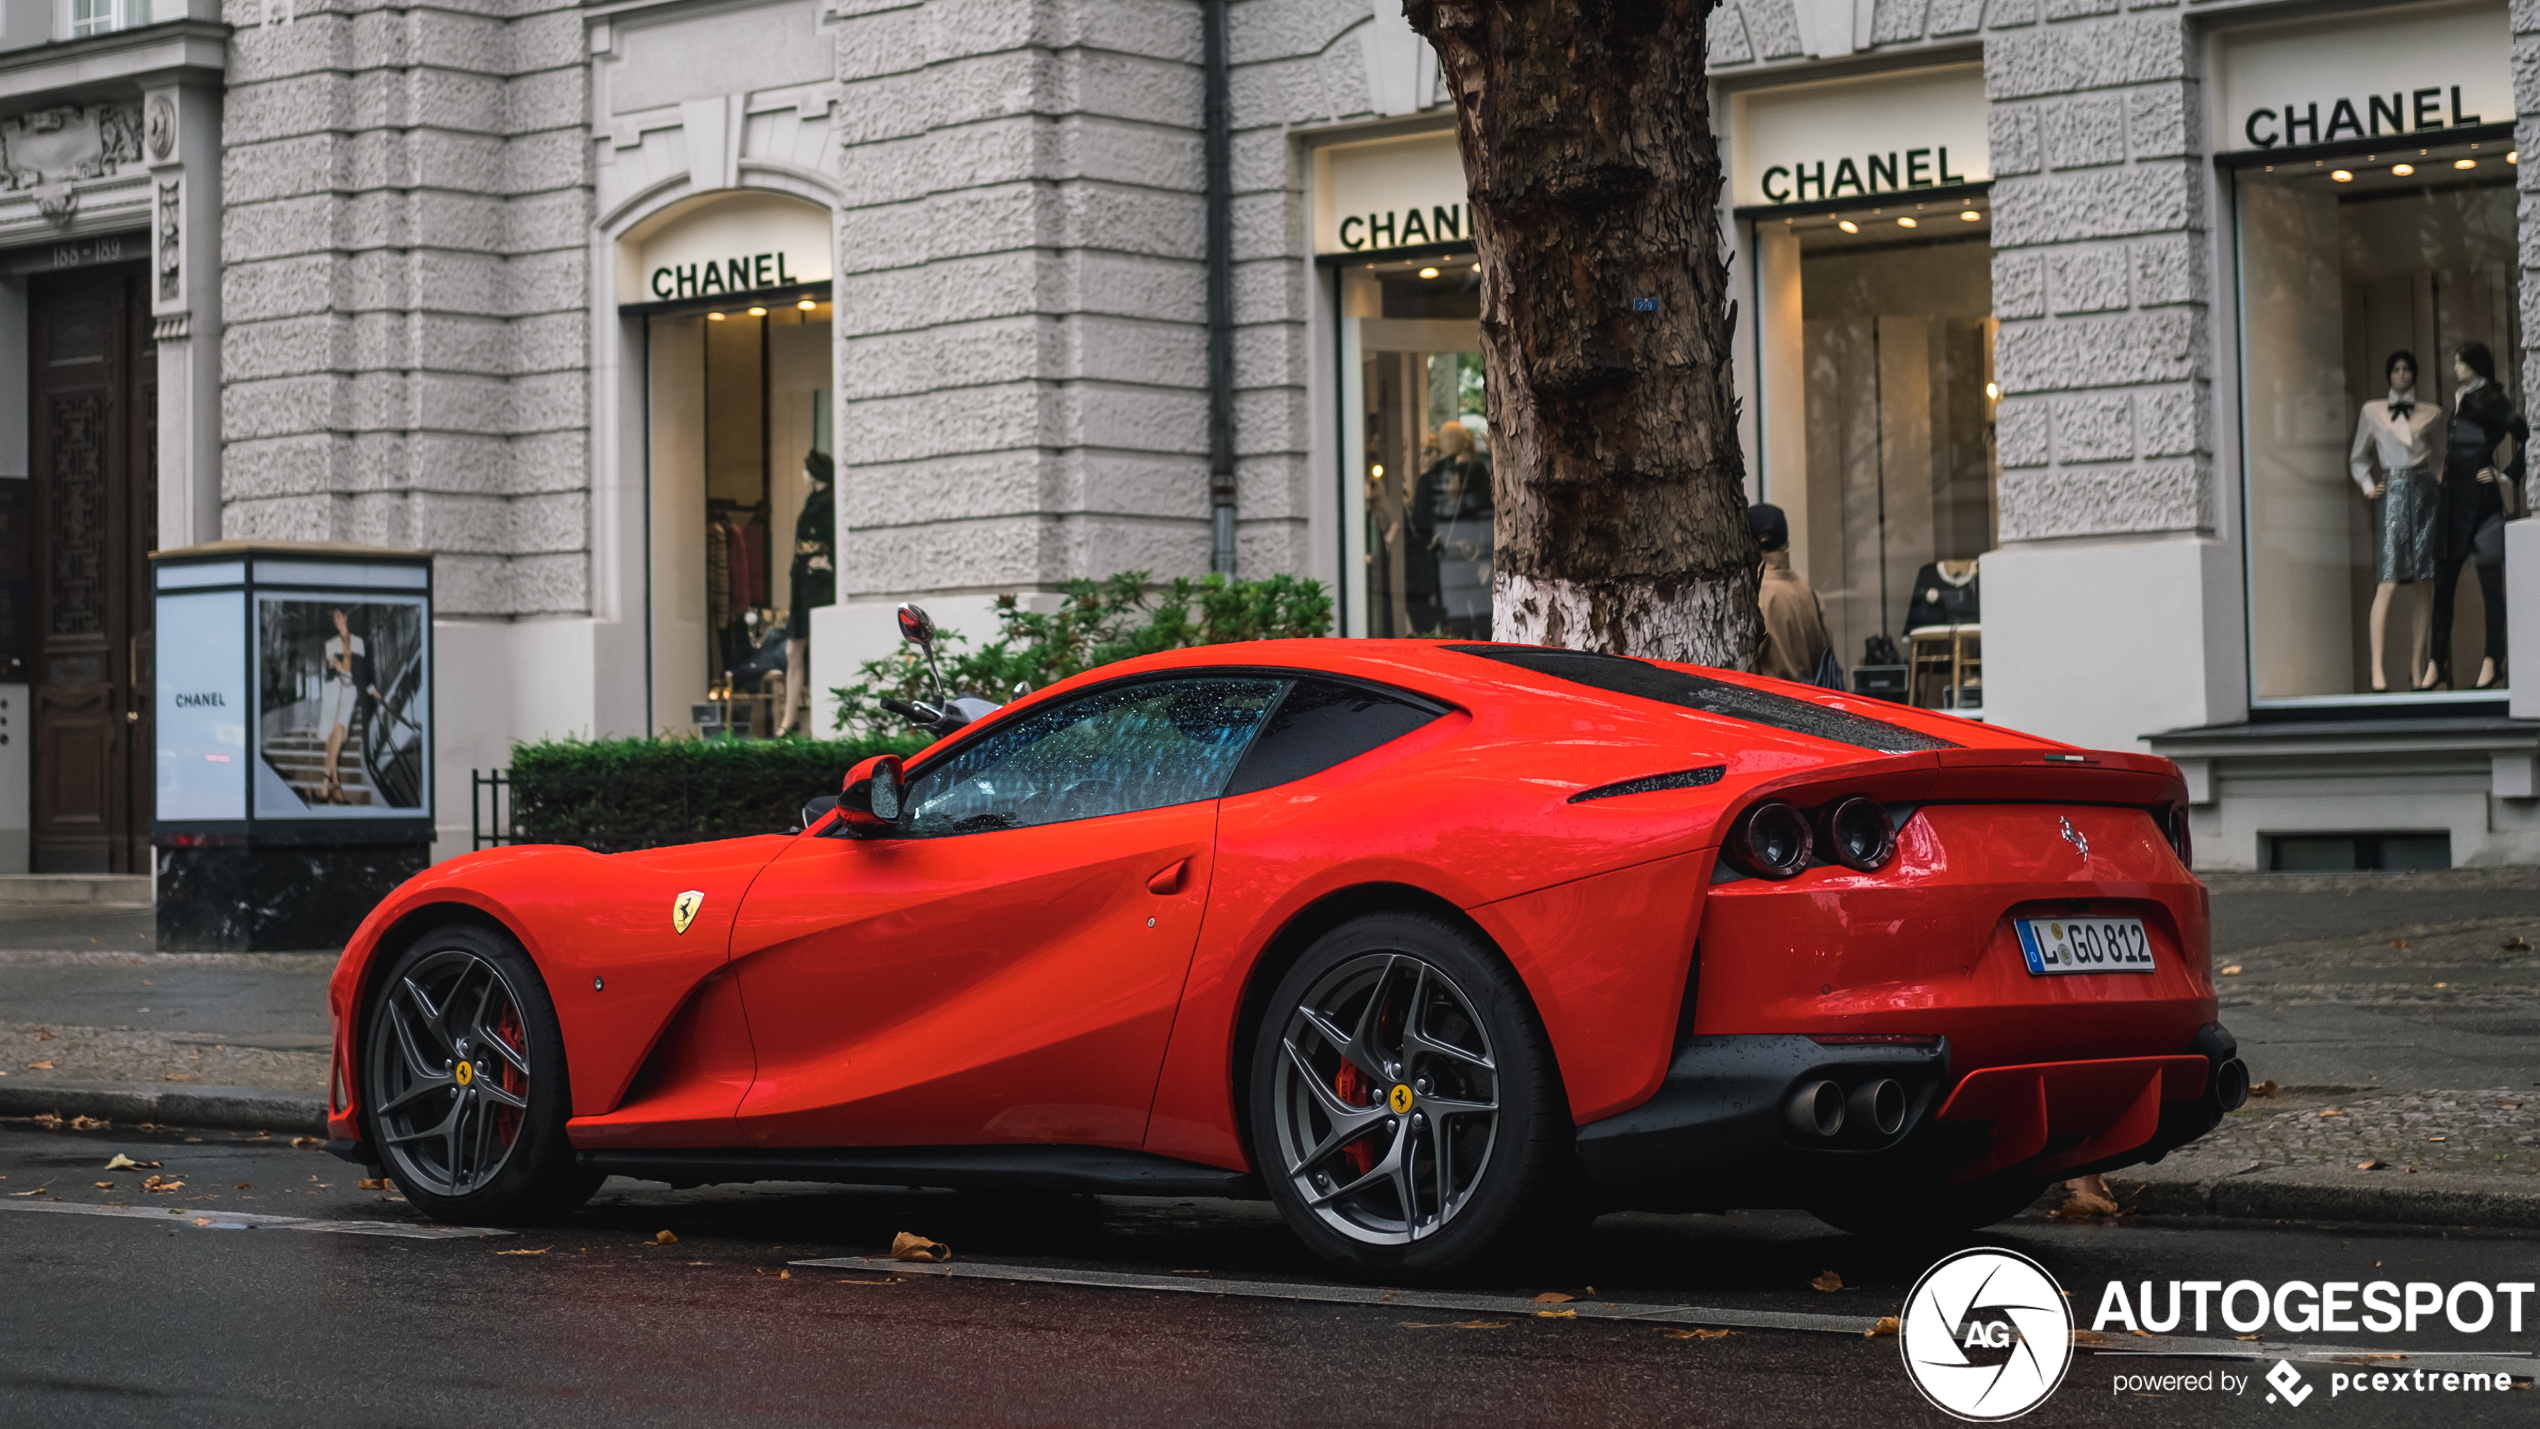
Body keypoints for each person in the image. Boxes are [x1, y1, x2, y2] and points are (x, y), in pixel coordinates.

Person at [2425, 341, 2528, 690]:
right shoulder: (2463, 396)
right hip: (2453, 501)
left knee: (2490, 586)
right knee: (2444, 584)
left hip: (2482, 504)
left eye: (2460, 362)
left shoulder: (2495, 401)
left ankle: (2492, 660)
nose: (2455, 367)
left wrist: (2507, 474)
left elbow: (2529, 436)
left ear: (2475, 364)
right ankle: (2436, 662)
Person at [2347, 350, 2440, 691]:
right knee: (2387, 580)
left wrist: (2441, 485)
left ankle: (2417, 668)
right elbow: (2357, 457)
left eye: (2407, 369)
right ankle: (2377, 670)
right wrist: (2370, 486)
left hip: (2425, 493)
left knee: (2424, 581)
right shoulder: (2372, 411)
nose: (2402, 375)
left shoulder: (2431, 413)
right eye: (2396, 369)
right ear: (2389, 374)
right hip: (2395, 492)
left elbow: (2440, 456)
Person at [774, 450, 837, 736]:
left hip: (818, 583)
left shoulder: (830, 501)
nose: (802, 473)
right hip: (802, 580)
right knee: (793, 649)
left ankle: (804, 719)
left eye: (805, 468)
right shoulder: (813, 500)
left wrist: (828, 562)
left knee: (815, 647)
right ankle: (789, 719)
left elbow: (833, 536)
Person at [1750, 503, 1831, 685]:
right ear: (1786, 542)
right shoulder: (1811, 595)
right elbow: (1824, 654)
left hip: (1769, 705)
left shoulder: (1754, 596)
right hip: (1810, 705)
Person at [319, 607, 365, 804]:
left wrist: (344, 665)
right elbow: (342, 668)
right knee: (331, 733)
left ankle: (325, 778)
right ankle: (334, 787)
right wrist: (343, 665)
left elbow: (356, 669)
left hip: (350, 690)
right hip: (333, 689)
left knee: (341, 727)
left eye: (338, 616)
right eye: (334, 618)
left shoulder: (359, 642)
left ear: (345, 617)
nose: (336, 620)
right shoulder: (330, 644)